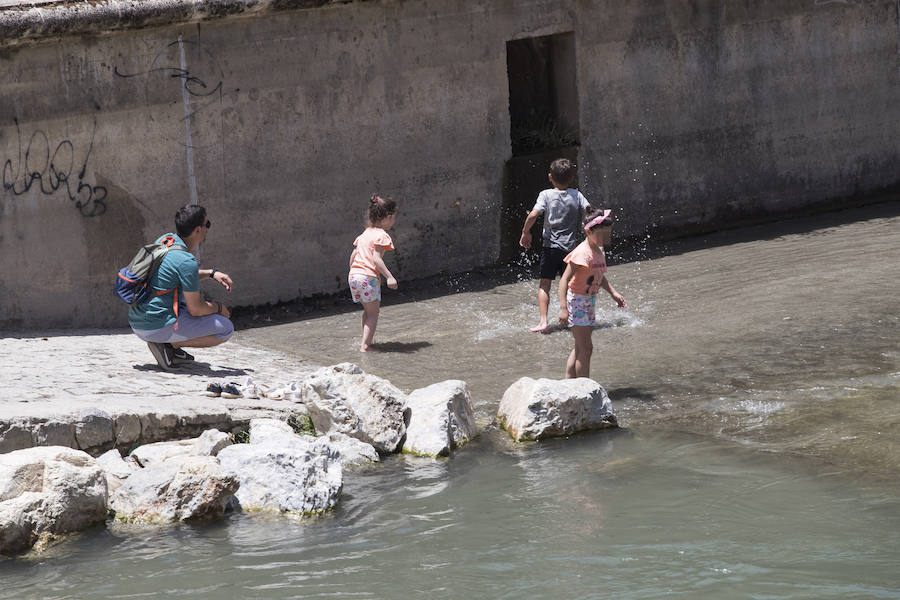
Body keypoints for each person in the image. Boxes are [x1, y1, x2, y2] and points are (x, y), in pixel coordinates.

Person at [128, 204, 235, 371]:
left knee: (184, 295)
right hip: (154, 327)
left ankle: (168, 345)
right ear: (198, 230)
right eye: (208, 224)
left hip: (137, 320)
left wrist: (210, 273)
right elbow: (196, 309)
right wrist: (219, 308)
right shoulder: (186, 260)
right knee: (225, 328)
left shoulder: (166, 240)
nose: (208, 229)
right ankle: (169, 344)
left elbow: (178, 274)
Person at [519, 158, 591, 333]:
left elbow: (533, 215)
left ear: (550, 177)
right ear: (572, 178)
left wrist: (525, 232)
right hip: (571, 250)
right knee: (571, 283)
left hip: (550, 248)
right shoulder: (577, 194)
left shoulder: (545, 195)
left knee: (545, 284)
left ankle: (543, 321)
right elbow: (591, 212)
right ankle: (573, 317)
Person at [557, 208, 626, 379]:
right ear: (588, 231)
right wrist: (563, 308)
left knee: (581, 347)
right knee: (586, 348)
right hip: (577, 302)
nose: (607, 238)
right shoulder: (582, 254)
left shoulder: (599, 250)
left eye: (609, 234)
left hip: (589, 301)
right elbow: (564, 280)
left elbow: (599, 276)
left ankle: (569, 382)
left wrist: (613, 293)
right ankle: (584, 386)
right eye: (602, 234)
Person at [348, 194, 398, 352]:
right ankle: (365, 347)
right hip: (367, 276)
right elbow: (376, 259)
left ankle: (366, 341)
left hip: (354, 275)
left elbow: (354, 255)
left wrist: (352, 271)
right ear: (388, 217)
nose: (393, 221)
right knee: (373, 314)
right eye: (394, 218)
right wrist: (389, 277)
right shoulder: (381, 235)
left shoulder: (365, 233)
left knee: (367, 312)